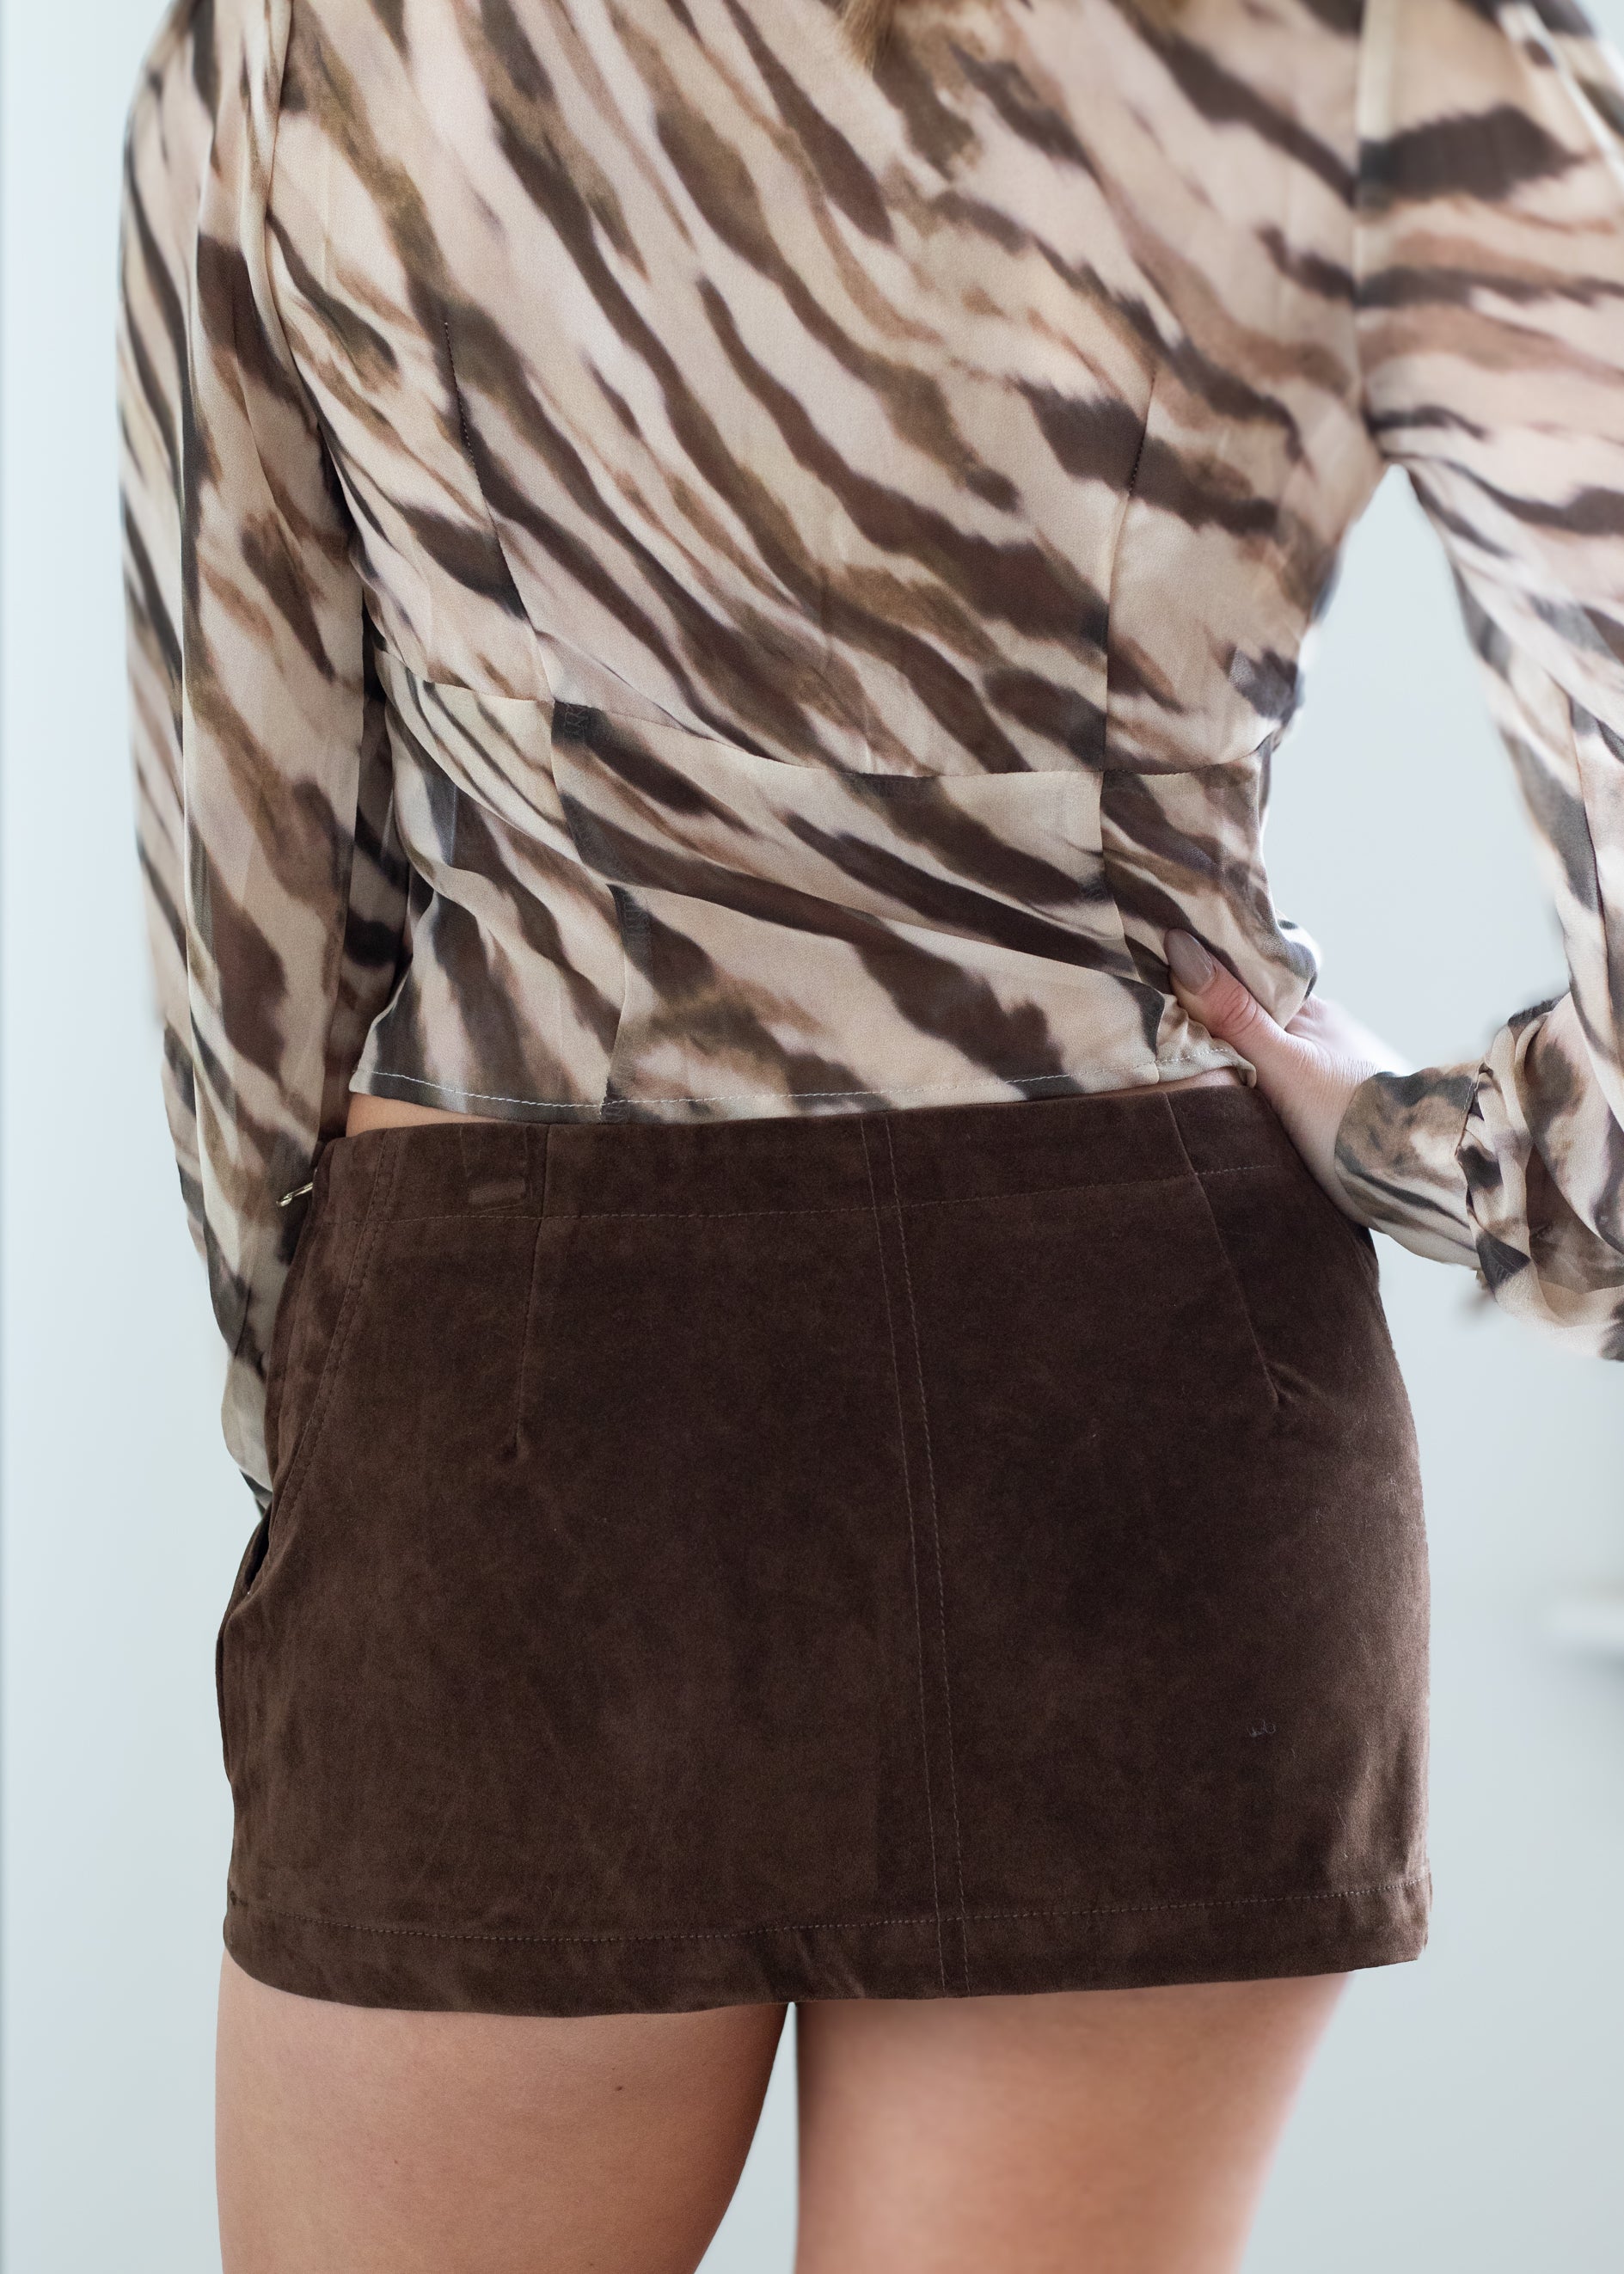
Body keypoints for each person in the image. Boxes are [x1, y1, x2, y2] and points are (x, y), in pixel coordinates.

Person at [115, 0, 1624, 2262]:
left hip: (518, 1377)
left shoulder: (294, 38)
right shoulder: (1391, 42)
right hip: (1144, 1383)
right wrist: (1450, 1159)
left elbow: (253, 866)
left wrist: (321, 1426)